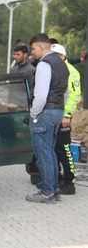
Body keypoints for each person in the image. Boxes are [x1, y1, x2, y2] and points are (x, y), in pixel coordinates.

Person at [26, 33, 68, 204]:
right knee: (50, 152)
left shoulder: (44, 64)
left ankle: (47, 193)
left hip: (45, 112)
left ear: (41, 47)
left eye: (34, 48)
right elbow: (66, 93)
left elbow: (41, 95)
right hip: (57, 111)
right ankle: (53, 188)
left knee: (43, 153)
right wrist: (60, 110)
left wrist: (33, 113)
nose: (33, 52)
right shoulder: (62, 64)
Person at [50, 43, 81, 195]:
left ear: (63, 56)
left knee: (64, 149)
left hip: (63, 116)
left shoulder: (71, 71)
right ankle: (56, 179)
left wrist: (67, 115)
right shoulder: (56, 70)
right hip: (54, 114)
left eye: (56, 57)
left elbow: (75, 96)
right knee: (54, 148)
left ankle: (69, 181)